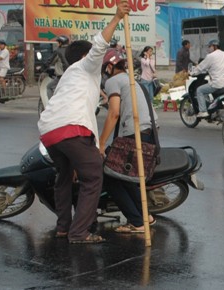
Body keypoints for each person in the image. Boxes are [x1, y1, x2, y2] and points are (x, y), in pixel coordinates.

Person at [37, 2, 131, 244]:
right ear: (84, 56)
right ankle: (79, 233)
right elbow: (100, 43)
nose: (98, 58)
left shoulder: (71, 75)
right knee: (93, 177)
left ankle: (63, 227)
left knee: (64, 177)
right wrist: (117, 17)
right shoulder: (85, 65)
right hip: (70, 129)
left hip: (49, 132)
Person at [99, 50, 157, 233]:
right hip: (148, 130)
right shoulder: (131, 79)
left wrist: (101, 143)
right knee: (127, 177)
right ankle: (145, 216)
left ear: (109, 67)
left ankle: (136, 222)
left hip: (134, 132)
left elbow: (114, 112)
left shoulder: (112, 81)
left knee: (110, 175)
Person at [191, 39, 224, 118]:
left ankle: (203, 111)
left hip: (217, 83)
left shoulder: (211, 56)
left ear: (214, 46)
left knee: (200, 90)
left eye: (210, 46)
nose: (209, 48)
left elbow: (201, 67)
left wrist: (192, 73)